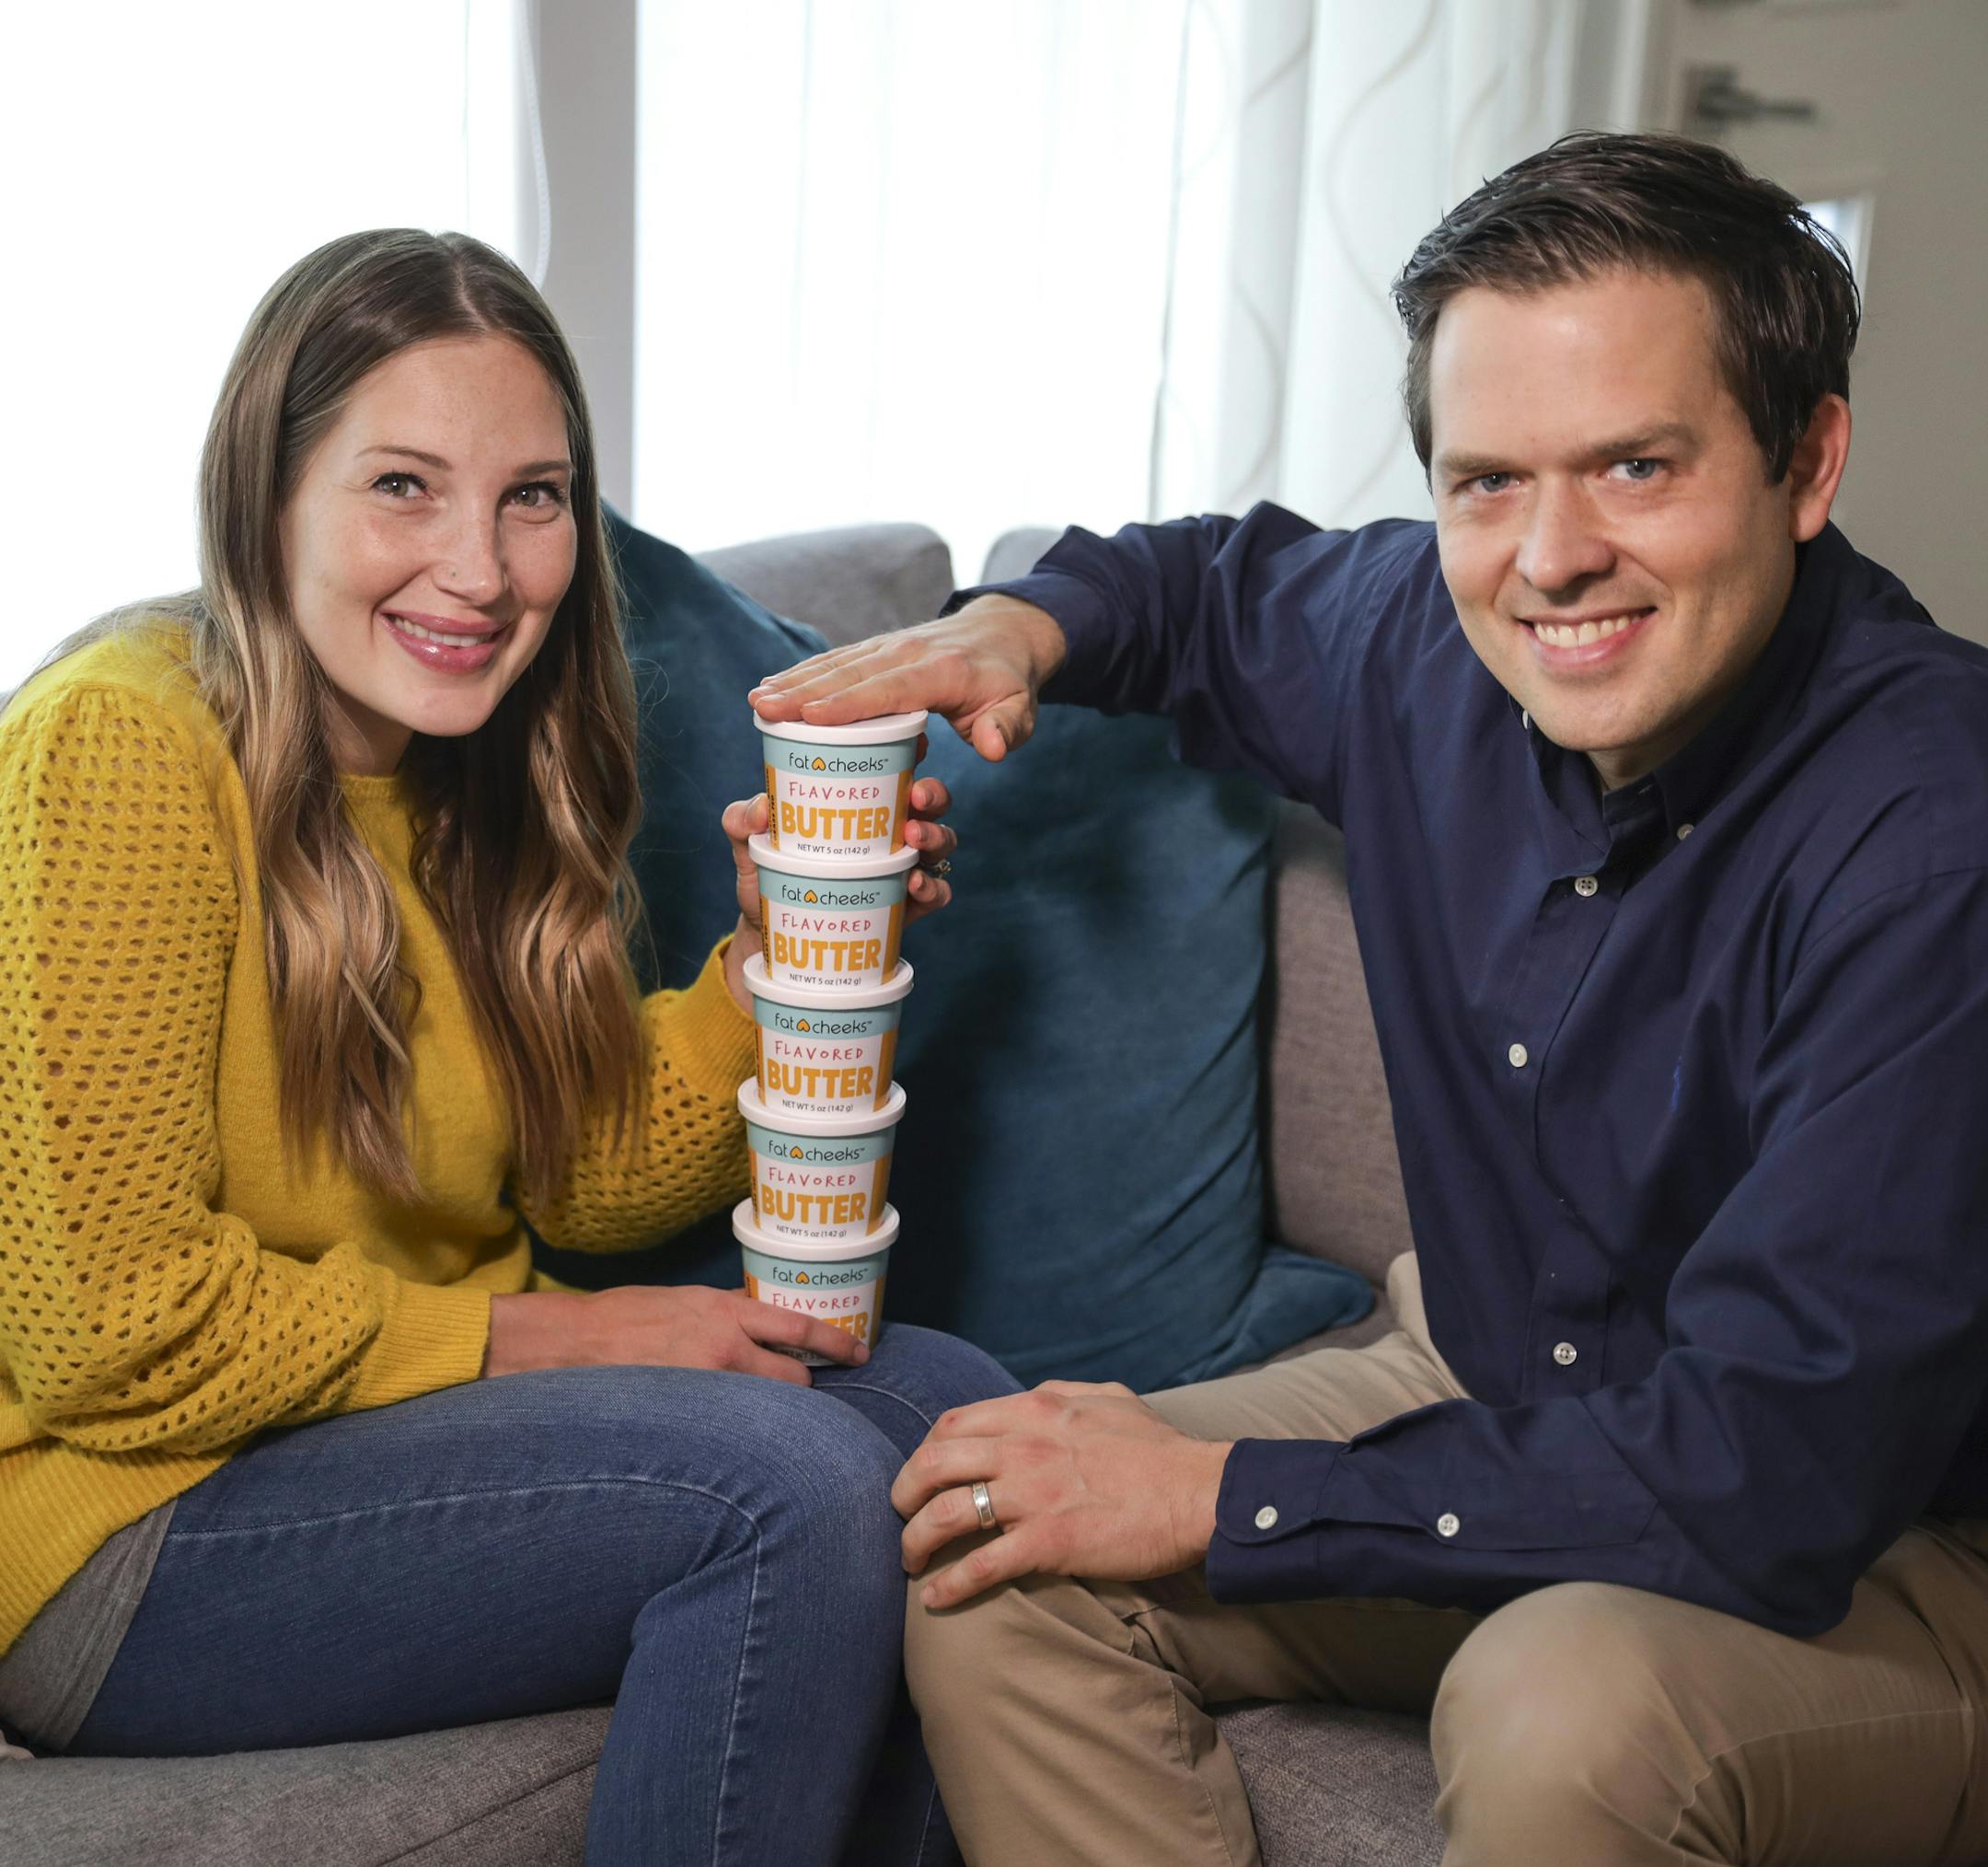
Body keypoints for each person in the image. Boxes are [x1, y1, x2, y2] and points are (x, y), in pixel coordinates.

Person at [748, 133, 1988, 1865]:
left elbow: (1772, 1474)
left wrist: (1213, 1492)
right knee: (988, 1542)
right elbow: (1185, 590)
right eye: (1487, 482)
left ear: (1809, 461)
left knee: (1562, 1706)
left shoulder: (1937, 835)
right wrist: (1018, 630)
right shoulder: (1424, 634)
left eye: (1635, 466)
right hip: (1504, 1382)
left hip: (1902, 1548)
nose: (1550, 559)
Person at [0, 227, 1013, 1866]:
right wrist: (558, 1341)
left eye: (532, 498)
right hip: (113, 1527)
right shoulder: (117, 743)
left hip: (367, 1436)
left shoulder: (480, 761)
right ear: (271, 496)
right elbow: (101, 1335)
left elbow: (594, 1177)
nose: (478, 568)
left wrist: (773, 958)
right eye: (404, 485)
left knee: (960, 1421)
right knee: (796, 1492)